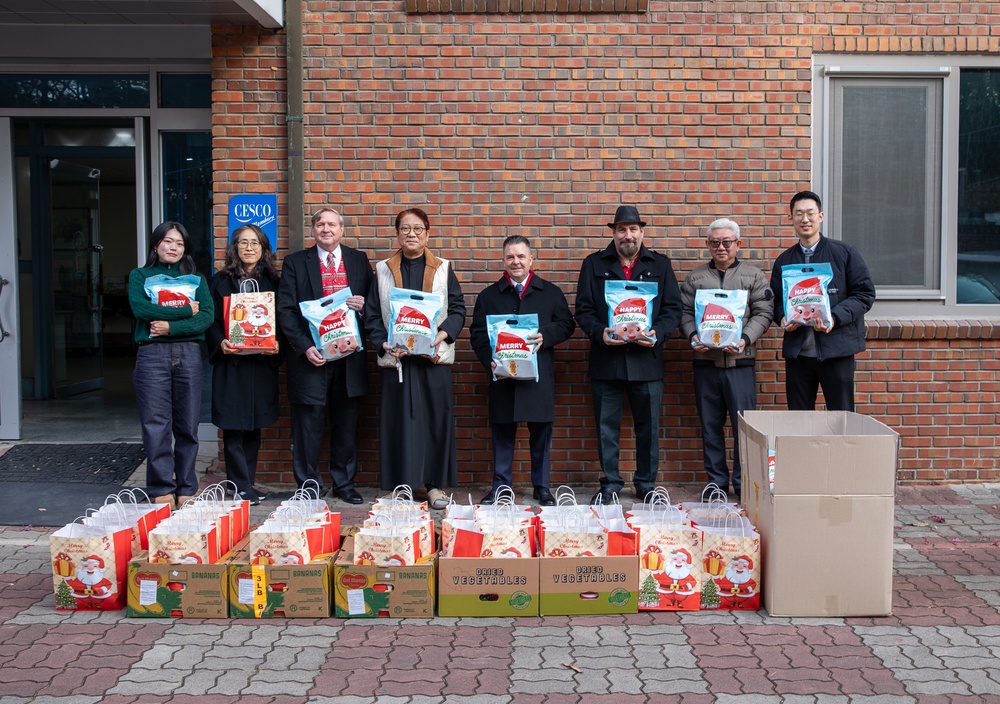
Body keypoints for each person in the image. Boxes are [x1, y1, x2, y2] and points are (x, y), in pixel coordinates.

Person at [574, 205, 683, 505]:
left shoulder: (660, 265)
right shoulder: (593, 264)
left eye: (633, 229)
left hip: (646, 361)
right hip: (606, 360)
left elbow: (673, 309)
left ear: (642, 232)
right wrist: (600, 333)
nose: (628, 235)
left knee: (648, 428)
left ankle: (646, 484)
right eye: (622, 229)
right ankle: (610, 483)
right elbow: (582, 310)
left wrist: (658, 334)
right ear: (613, 233)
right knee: (606, 427)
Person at [365, 207, 466, 510]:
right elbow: (372, 314)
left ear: (427, 233)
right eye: (405, 229)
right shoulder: (382, 269)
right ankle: (400, 486)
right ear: (397, 234)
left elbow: (458, 309)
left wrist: (443, 335)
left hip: (432, 359)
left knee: (436, 421)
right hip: (397, 360)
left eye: (418, 229)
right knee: (398, 422)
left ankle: (434, 486)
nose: (411, 234)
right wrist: (383, 342)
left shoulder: (444, 268)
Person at [469, 235, 576, 506]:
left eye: (520, 257)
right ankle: (501, 488)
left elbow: (567, 324)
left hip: (538, 379)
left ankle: (542, 487)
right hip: (503, 377)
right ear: (503, 261)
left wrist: (546, 335)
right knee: (502, 434)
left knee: (541, 435)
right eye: (510, 257)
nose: (515, 262)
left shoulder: (550, 293)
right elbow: (478, 335)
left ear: (531, 260)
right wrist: (488, 361)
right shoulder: (488, 296)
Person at [276, 208, 373, 504]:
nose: (326, 229)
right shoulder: (295, 263)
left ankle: (344, 484)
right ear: (313, 229)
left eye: (332, 224)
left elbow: (377, 304)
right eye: (320, 224)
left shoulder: (358, 260)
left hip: (349, 358)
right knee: (308, 424)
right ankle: (308, 486)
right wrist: (306, 346)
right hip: (311, 358)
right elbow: (286, 311)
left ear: (341, 229)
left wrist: (363, 305)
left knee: (346, 423)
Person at [679, 218, 773, 499]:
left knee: (742, 427)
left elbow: (764, 313)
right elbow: (683, 313)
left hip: (740, 364)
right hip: (706, 363)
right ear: (708, 245)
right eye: (715, 242)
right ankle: (717, 483)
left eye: (727, 242)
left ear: (738, 244)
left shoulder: (753, 276)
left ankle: (743, 483)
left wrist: (744, 339)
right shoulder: (695, 279)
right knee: (710, 426)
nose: (721, 247)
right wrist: (693, 335)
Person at [128, 221, 214, 510]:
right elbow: (141, 309)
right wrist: (183, 310)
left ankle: (187, 486)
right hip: (151, 355)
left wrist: (170, 328)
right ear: (156, 245)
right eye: (168, 241)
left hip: (188, 354)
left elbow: (206, 318)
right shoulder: (140, 276)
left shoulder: (197, 280)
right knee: (156, 425)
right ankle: (161, 487)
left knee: (188, 425)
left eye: (179, 243)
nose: (173, 247)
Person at [770, 191, 875, 411]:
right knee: (799, 420)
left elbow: (864, 294)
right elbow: (777, 301)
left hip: (837, 351)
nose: (805, 219)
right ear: (791, 218)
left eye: (810, 213)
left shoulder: (844, 253)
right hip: (798, 354)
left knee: (841, 416)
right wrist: (782, 318)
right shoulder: (784, 261)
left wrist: (834, 317)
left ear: (821, 216)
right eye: (798, 214)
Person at [207, 224, 282, 506]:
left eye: (255, 243)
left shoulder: (274, 281)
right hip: (232, 366)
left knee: (253, 427)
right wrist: (220, 342)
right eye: (243, 243)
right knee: (233, 426)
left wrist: (278, 346)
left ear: (263, 248)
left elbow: (283, 322)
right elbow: (211, 321)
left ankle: (244, 484)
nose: (249, 248)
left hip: (261, 366)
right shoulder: (220, 281)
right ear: (235, 248)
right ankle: (239, 485)